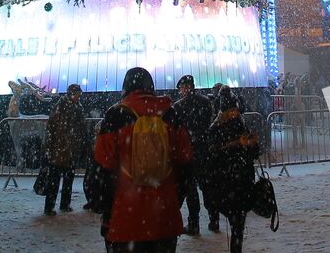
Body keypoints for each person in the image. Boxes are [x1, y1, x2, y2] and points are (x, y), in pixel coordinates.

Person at [93, 66, 193, 253]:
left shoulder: (116, 115)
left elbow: (101, 168)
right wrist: (173, 200)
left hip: (124, 220)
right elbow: (186, 163)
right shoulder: (170, 115)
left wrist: (105, 209)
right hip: (164, 219)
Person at [202, 89, 259, 253]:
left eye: (236, 110)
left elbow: (253, 153)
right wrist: (235, 146)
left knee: (238, 223)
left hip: (239, 180)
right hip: (227, 181)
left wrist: (251, 144)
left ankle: (236, 247)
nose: (235, 113)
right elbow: (212, 154)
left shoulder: (240, 125)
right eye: (232, 110)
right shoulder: (216, 129)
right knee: (236, 221)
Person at [169, 74, 214, 234]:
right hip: (204, 149)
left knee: (191, 189)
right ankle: (213, 218)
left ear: (186, 87)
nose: (181, 91)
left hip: (188, 151)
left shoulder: (178, 106)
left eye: (181, 88)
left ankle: (194, 223)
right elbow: (209, 123)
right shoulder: (206, 102)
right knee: (207, 186)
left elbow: (176, 129)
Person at [43, 83, 90, 215]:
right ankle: (53, 206)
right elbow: (53, 127)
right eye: (77, 95)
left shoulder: (69, 106)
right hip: (62, 149)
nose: (79, 97)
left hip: (66, 149)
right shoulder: (65, 107)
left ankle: (62, 204)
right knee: (57, 179)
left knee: (64, 179)